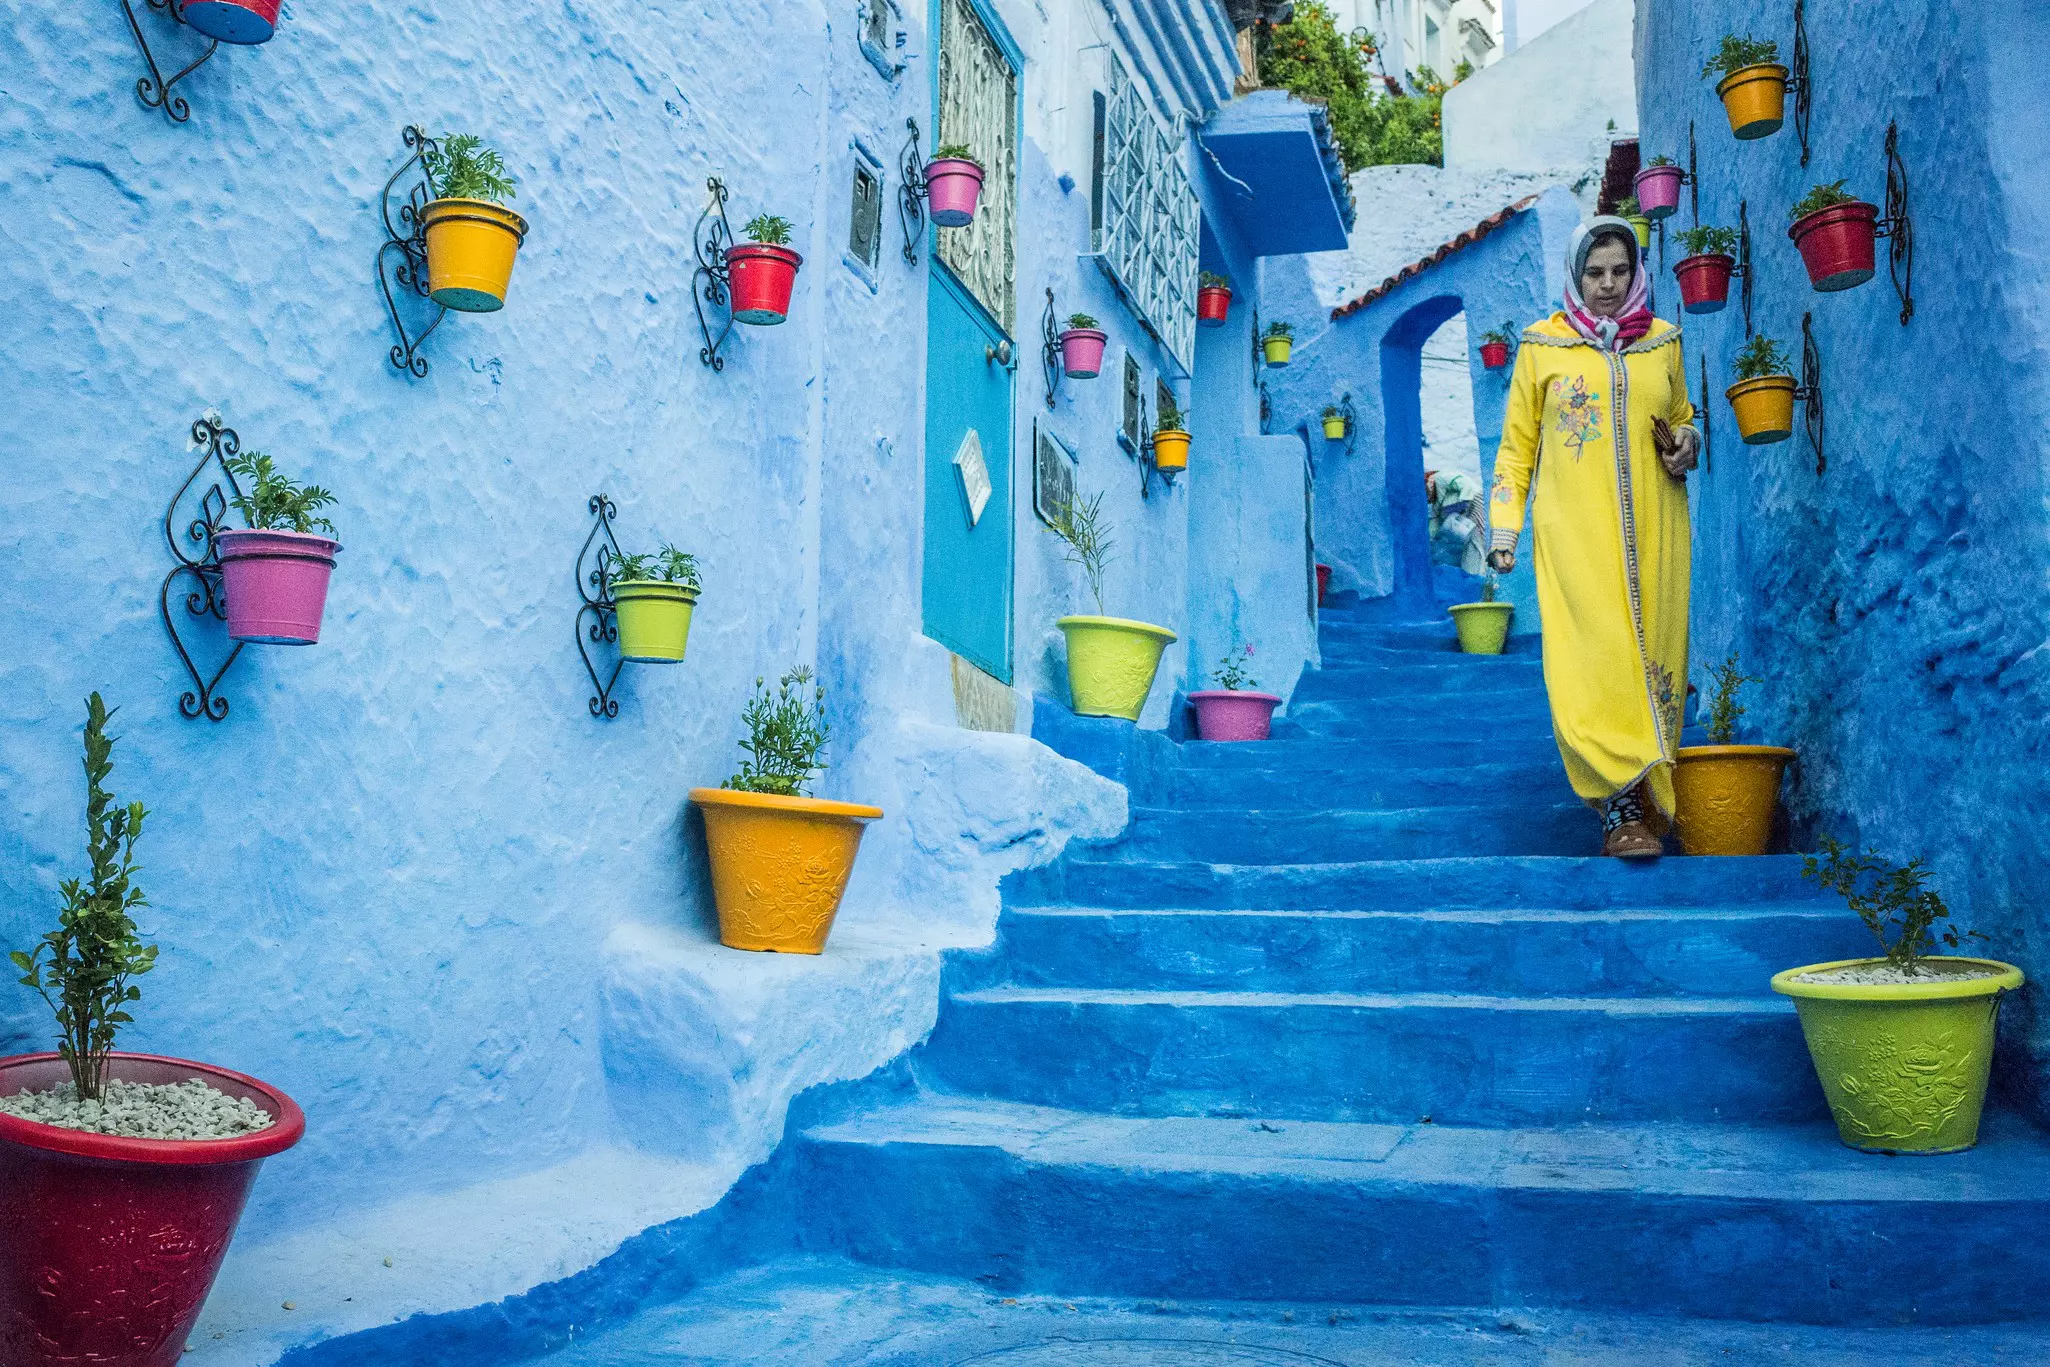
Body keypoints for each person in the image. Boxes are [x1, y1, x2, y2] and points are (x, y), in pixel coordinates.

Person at [1486, 218, 1700, 858]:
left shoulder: (1663, 343)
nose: (1607, 285)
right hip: (1573, 533)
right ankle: (1618, 808)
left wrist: (1689, 443)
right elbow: (1516, 449)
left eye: (1619, 271)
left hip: (1659, 529)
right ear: (1575, 276)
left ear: (1638, 274)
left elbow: (1682, 418)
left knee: (1653, 656)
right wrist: (1503, 531)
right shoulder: (1541, 346)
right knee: (1594, 662)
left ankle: (1650, 792)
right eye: (1594, 272)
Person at [1425, 469, 1486, 574]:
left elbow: (1465, 485)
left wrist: (1459, 505)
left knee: (1480, 543)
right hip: (1466, 521)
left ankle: (1483, 575)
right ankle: (1478, 577)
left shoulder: (1441, 476)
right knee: (1472, 550)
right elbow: (1435, 523)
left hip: (1475, 504)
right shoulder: (1437, 505)